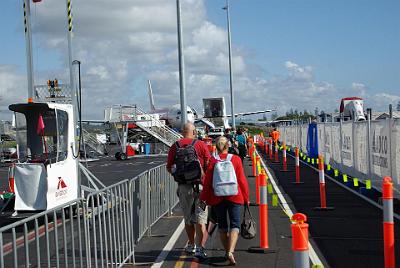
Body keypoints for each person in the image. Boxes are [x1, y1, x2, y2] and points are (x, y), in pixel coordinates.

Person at [200, 136, 249, 265]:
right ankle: (230, 251)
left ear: (216, 147)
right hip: (235, 195)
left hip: (217, 197)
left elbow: (207, 182)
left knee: (222, 226)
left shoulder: (213, 161)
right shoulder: (236, 159)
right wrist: (246, 197)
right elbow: (242, 181)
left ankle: (226, 250)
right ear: (228, 146)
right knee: (235, 225)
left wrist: (203, 198)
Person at [166, 123, 211, 258]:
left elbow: (169, 167)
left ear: (182, 132)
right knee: (201, 219)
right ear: (193, 132)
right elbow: (209, 163)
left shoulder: (176, 146)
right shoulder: (201, 144)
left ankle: (191, 245)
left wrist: (179, 175)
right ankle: (200, 248)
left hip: (184, 187)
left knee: (188, 218)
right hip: (201, 186)